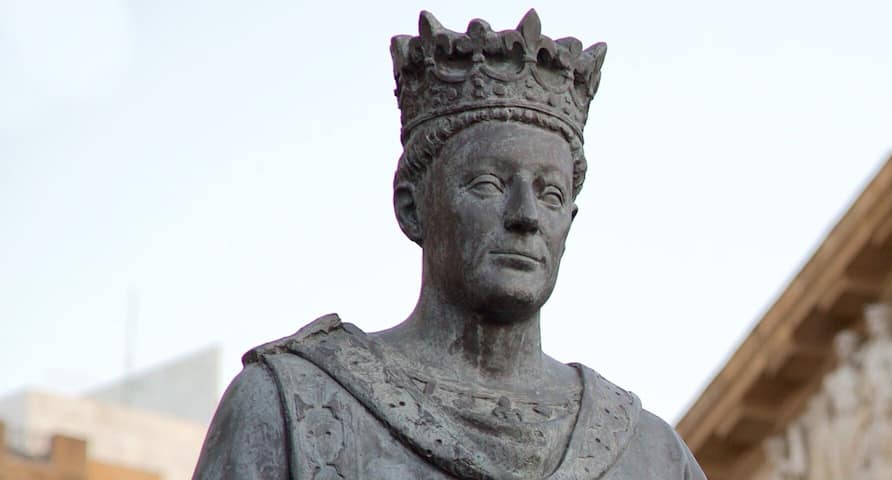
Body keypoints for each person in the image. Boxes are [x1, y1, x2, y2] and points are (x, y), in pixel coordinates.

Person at [190, 10, 705, 479]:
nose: (525, 216)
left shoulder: (652, 455)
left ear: (568, 222)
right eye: (488, 184)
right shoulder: (288, 405)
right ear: (412, 207)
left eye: (550, 194)